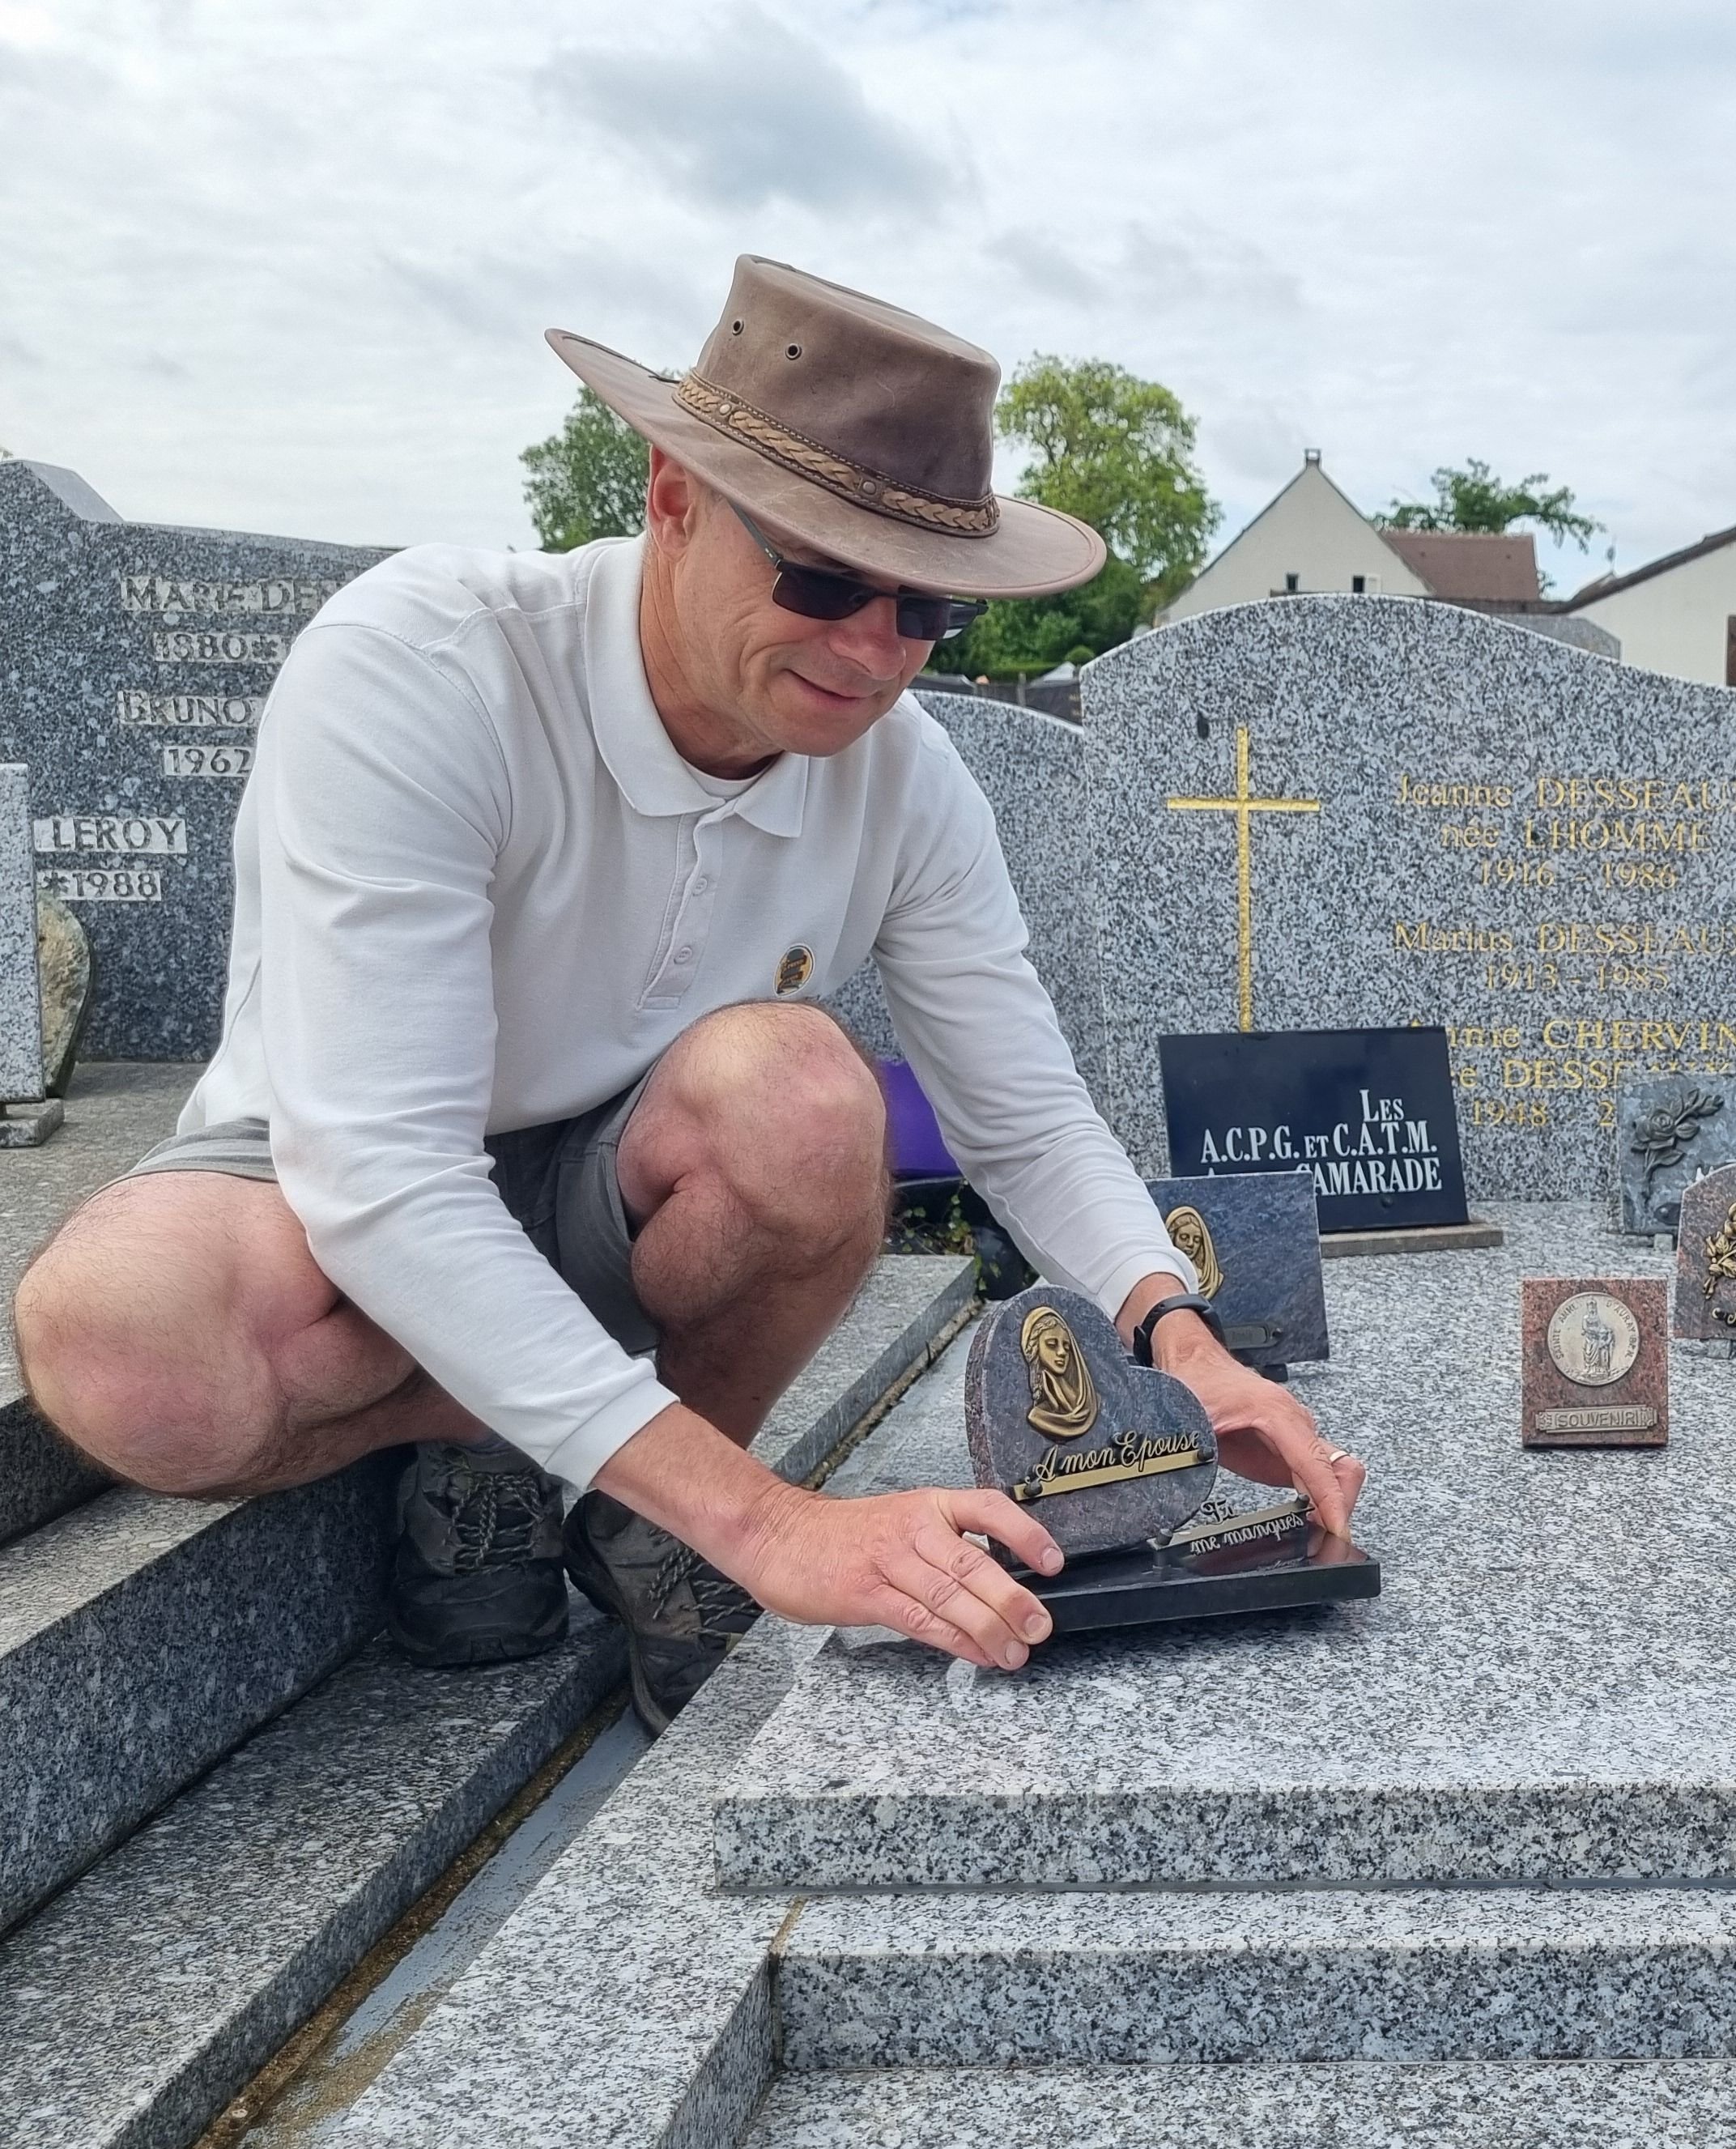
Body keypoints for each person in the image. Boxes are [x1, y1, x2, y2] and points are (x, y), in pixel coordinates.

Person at [15, 257, 1364, 1730]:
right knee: (120, 1343)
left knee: (800, 1098)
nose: (874, 651)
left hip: (624, 1184)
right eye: (822, 573)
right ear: (670, 493)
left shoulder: (908, 779)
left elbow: (1025, 1118)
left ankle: (639, 1506)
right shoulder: (426, 665)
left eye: (928, 607)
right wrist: (774, 1523)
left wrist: (1185, 1345)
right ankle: (567, 1463)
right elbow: (382, 1170)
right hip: (326, 1193)